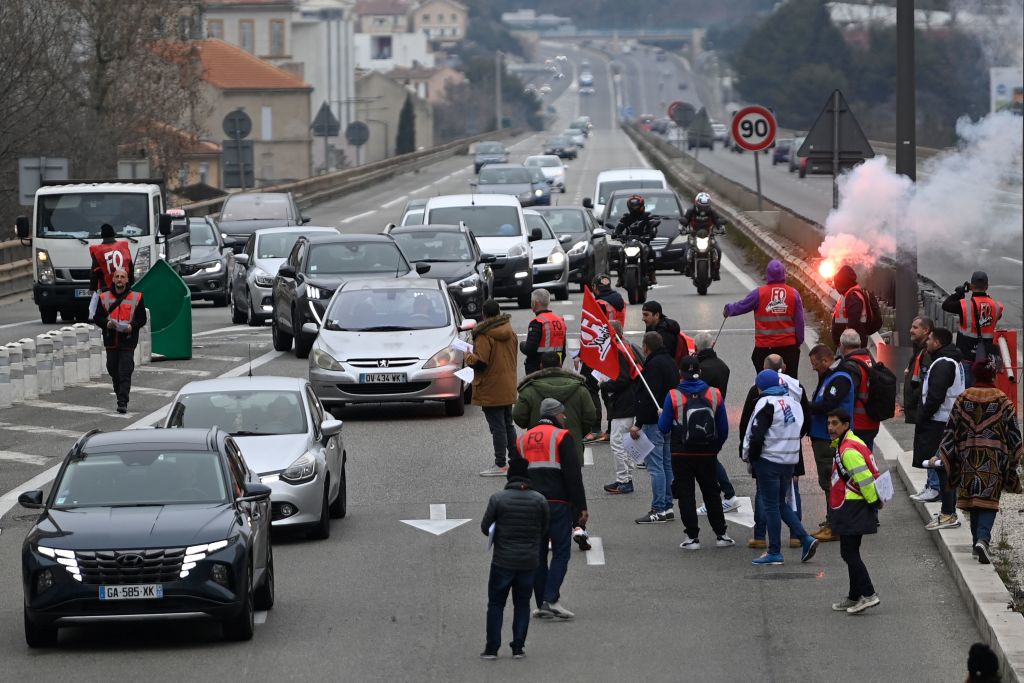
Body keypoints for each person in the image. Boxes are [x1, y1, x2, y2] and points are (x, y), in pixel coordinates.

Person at [937, 359, 1022, 564]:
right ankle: (983, 540)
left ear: (975, 375)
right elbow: (1015, 436)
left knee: (974, 500)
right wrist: (1012, 461)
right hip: (993, 459)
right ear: (993, 376)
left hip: (967, 458)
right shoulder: (1003, 400)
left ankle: (977, 542)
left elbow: (950, 431)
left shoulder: (963, 398)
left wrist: (948, 457)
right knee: (988, 501)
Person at [513, 351, 596, 551]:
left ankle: (549, 533)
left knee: (545, 492)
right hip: (571, 447)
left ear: (541, 366)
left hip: (540, 450)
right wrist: (577, 435)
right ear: (560, 365)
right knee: (573, 485)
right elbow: (590, 416)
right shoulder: (579, 388)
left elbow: (519, 417)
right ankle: (579, 527)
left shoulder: (530, 389)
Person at [517, 398, 588, 620]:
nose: (564, 418)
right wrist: (581, 508)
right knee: (561, 553)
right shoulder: (561, 436)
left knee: (538, 555)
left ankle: (541, 603)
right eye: (563, 414)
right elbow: (573, 475)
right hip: (557, 504)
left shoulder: (523, 438)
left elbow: (516, 474)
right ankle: (551, 599)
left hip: (530, 504)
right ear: (556, 414)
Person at [742, 369, 818, 565]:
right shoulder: (792, 403)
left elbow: (756, 435)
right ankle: (805, 538)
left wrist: (751, 457)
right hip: (789, 461)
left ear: (761, 387)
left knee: (770, 506)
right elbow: (800, 428)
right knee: (780, 503)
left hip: (769, 460)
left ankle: (774, 551)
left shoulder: (765, 404)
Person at [659, 357, 733, 550]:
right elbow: (723, 428)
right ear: (699, 372)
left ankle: (692, 537)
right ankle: (721, 534)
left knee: (685, 494)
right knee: (711, 492)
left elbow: (664, 427)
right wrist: (715, 448)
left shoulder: (673, 396)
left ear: (680, 374)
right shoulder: (714, 394)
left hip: (681, 453)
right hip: (707, 453)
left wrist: (663, 416)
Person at [480, 458, 549, 660]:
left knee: (496, 604)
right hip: (529, 562)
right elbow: (544, 529)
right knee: (522, 604)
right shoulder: (539, 500)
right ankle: (518, 647)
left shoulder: (498, 499)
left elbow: (486, 528)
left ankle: (492, 648)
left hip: (503, 561)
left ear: (509, 476)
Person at [826, 408, 883, 615]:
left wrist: (874, 502)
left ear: (846, 425)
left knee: (848, 552)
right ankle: (853, 596)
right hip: (853, 505)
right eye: (829, 423)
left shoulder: (848, 451)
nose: (831, 427)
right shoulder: (848, 443)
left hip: (852, 505)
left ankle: (869, 594)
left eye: (835, 423)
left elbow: (864, 479)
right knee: (851, 551)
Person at [913, 327, 966, 531]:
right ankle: (947, 512)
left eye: (930, 339)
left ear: (938, 343)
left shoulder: (944, 363)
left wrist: (924, 416)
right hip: (945, 420)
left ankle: (948, 513)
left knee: (943, 467)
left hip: (940, 421)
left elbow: (936, 396)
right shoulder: (950, 360)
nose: (926, 342)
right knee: (943, 466)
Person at [722, 259, 805, 380]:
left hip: (764, 348)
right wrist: (798, 343)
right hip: (788, 347)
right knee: (791, 382)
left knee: (764, 381)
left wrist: (728, 309)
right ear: (784, 274)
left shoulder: (759, 293)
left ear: (768, 275)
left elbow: (742, 306)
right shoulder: (794, 294)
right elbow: (800, 322)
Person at [806, 345, 855, 542]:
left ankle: (834, 525)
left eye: (815, 365)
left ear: (826, 361)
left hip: (829, 438)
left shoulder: (839, 378)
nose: (814, 369)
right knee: (828, 482)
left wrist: (805, 406)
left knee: (829, 482)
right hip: (823, 435)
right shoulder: (830, 376)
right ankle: (832, 521)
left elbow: (828, 405)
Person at [465, 300, 520, 477]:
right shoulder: (509, 331)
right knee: (507, 425)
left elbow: (481, 362)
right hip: (507, 385)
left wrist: (467, 356)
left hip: (491, 387)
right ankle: (515, 461)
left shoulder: (484, 335)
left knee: (497, 427)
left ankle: (500, 463)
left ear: (483, 314)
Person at [631, 331, 680, 524]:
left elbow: (649, 397)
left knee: (655, 467)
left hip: (653, 422)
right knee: (667, 465)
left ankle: (658, 508)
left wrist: (638, 424)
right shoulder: (669, 361)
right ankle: (667, 507)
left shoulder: (652, 365)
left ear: (645, 347)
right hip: (667, 419)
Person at [693, 331, 740, 516]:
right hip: (718, 416)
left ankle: (726, 496)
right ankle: (725, 496)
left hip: (702, 419)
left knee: (707, 460)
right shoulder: (722, 366)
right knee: (709, 458)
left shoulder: (701, 369)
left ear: (696, 348)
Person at [92, 268, 147, 414]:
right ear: (113, 280)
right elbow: (97, 317)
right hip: (111, 340)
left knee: (124, 371)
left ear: (127, 280)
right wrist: (107, 324)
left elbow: (142, 319)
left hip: (128, 341)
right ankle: (119, 392)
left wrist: (131, 326)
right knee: (112, 369)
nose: (120, 279)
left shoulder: (137, 297)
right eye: (117, 277)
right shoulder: (104, 297)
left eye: (122, 277)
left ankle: (122, 401)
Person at [941, 271, 1004, 385]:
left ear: (971, 286)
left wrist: (959, 293)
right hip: (986, 356)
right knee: (984, 386)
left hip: (966, 354)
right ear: (987, 287)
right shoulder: (997, 306)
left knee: (966, 387)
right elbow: (995, 315)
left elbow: (946, 305)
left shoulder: (964, 304)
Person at [601, 319, 640, 495]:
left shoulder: (618, 350)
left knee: (617, 442)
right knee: (625, 441)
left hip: (623, 402)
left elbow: (623, 379)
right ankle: (626, 477)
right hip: (630, 400)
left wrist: (605, 385)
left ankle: (624, 481)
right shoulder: (626, 345)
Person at [837, 328, 880, 449]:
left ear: (842, 345)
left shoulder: (851, 366)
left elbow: (846, 396)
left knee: (855, 461)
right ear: (859, 344)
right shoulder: (869, 360)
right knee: (866, 457)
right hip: (872, 421)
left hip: (857, 423)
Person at [612, 194, 660, 286]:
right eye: (633, 206)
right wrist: (615, 233)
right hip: (628, 242)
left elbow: (652, 225)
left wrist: (651, 233)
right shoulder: (626, 217)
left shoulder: (647, 216)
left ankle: (652, 275)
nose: (635, 208)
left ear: (642, 205)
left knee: (651, 253)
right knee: (618, 253)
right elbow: (619, 226)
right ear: (629, 206)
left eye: (636, 206)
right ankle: (620, 277)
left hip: (643, 241)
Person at [520, 289, 566, 375]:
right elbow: (563, 350)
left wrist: (522, 345)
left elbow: (530, 349)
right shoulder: (560, 321)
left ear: (535, 303)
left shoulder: (537, 322)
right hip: (556, 366)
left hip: (538, 368)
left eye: (531, 301)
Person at [680, 192, 724, 280]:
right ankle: (687, 268)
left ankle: (716, 270)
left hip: (709, 236)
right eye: (701, 206)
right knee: (685, 252)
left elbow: (717, 221)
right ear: (696, 204)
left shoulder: (712, 212)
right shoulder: (691, 211)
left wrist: (721, 228)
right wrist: (683, 226)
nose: (703, 209)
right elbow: (685, 219)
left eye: (705, 206)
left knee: (718, 250)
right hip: (693, 236)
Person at [830, 265, 872, 348]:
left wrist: (846, 342)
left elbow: (854, 323)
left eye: (838, 282)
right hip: (847, 343)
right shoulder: (848, 294)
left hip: (850, 345)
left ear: (842, 282)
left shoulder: (853, 296)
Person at [903, 316, 934, 426]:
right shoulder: (919, 349)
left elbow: (925, 382)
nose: (911, 330)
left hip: (920, 409)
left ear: (925, 330)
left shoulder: (926, 353)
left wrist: (912, 400)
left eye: (915, 328)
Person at [89, 223, 134, 292]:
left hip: (107, 289)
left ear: (102, 235)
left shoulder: (98, 251)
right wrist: (131, 284)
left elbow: (94, 272)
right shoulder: (124, 247)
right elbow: (130, 268)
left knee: (107, 303)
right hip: (124, 288)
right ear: (114, 234)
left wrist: (93, 288)